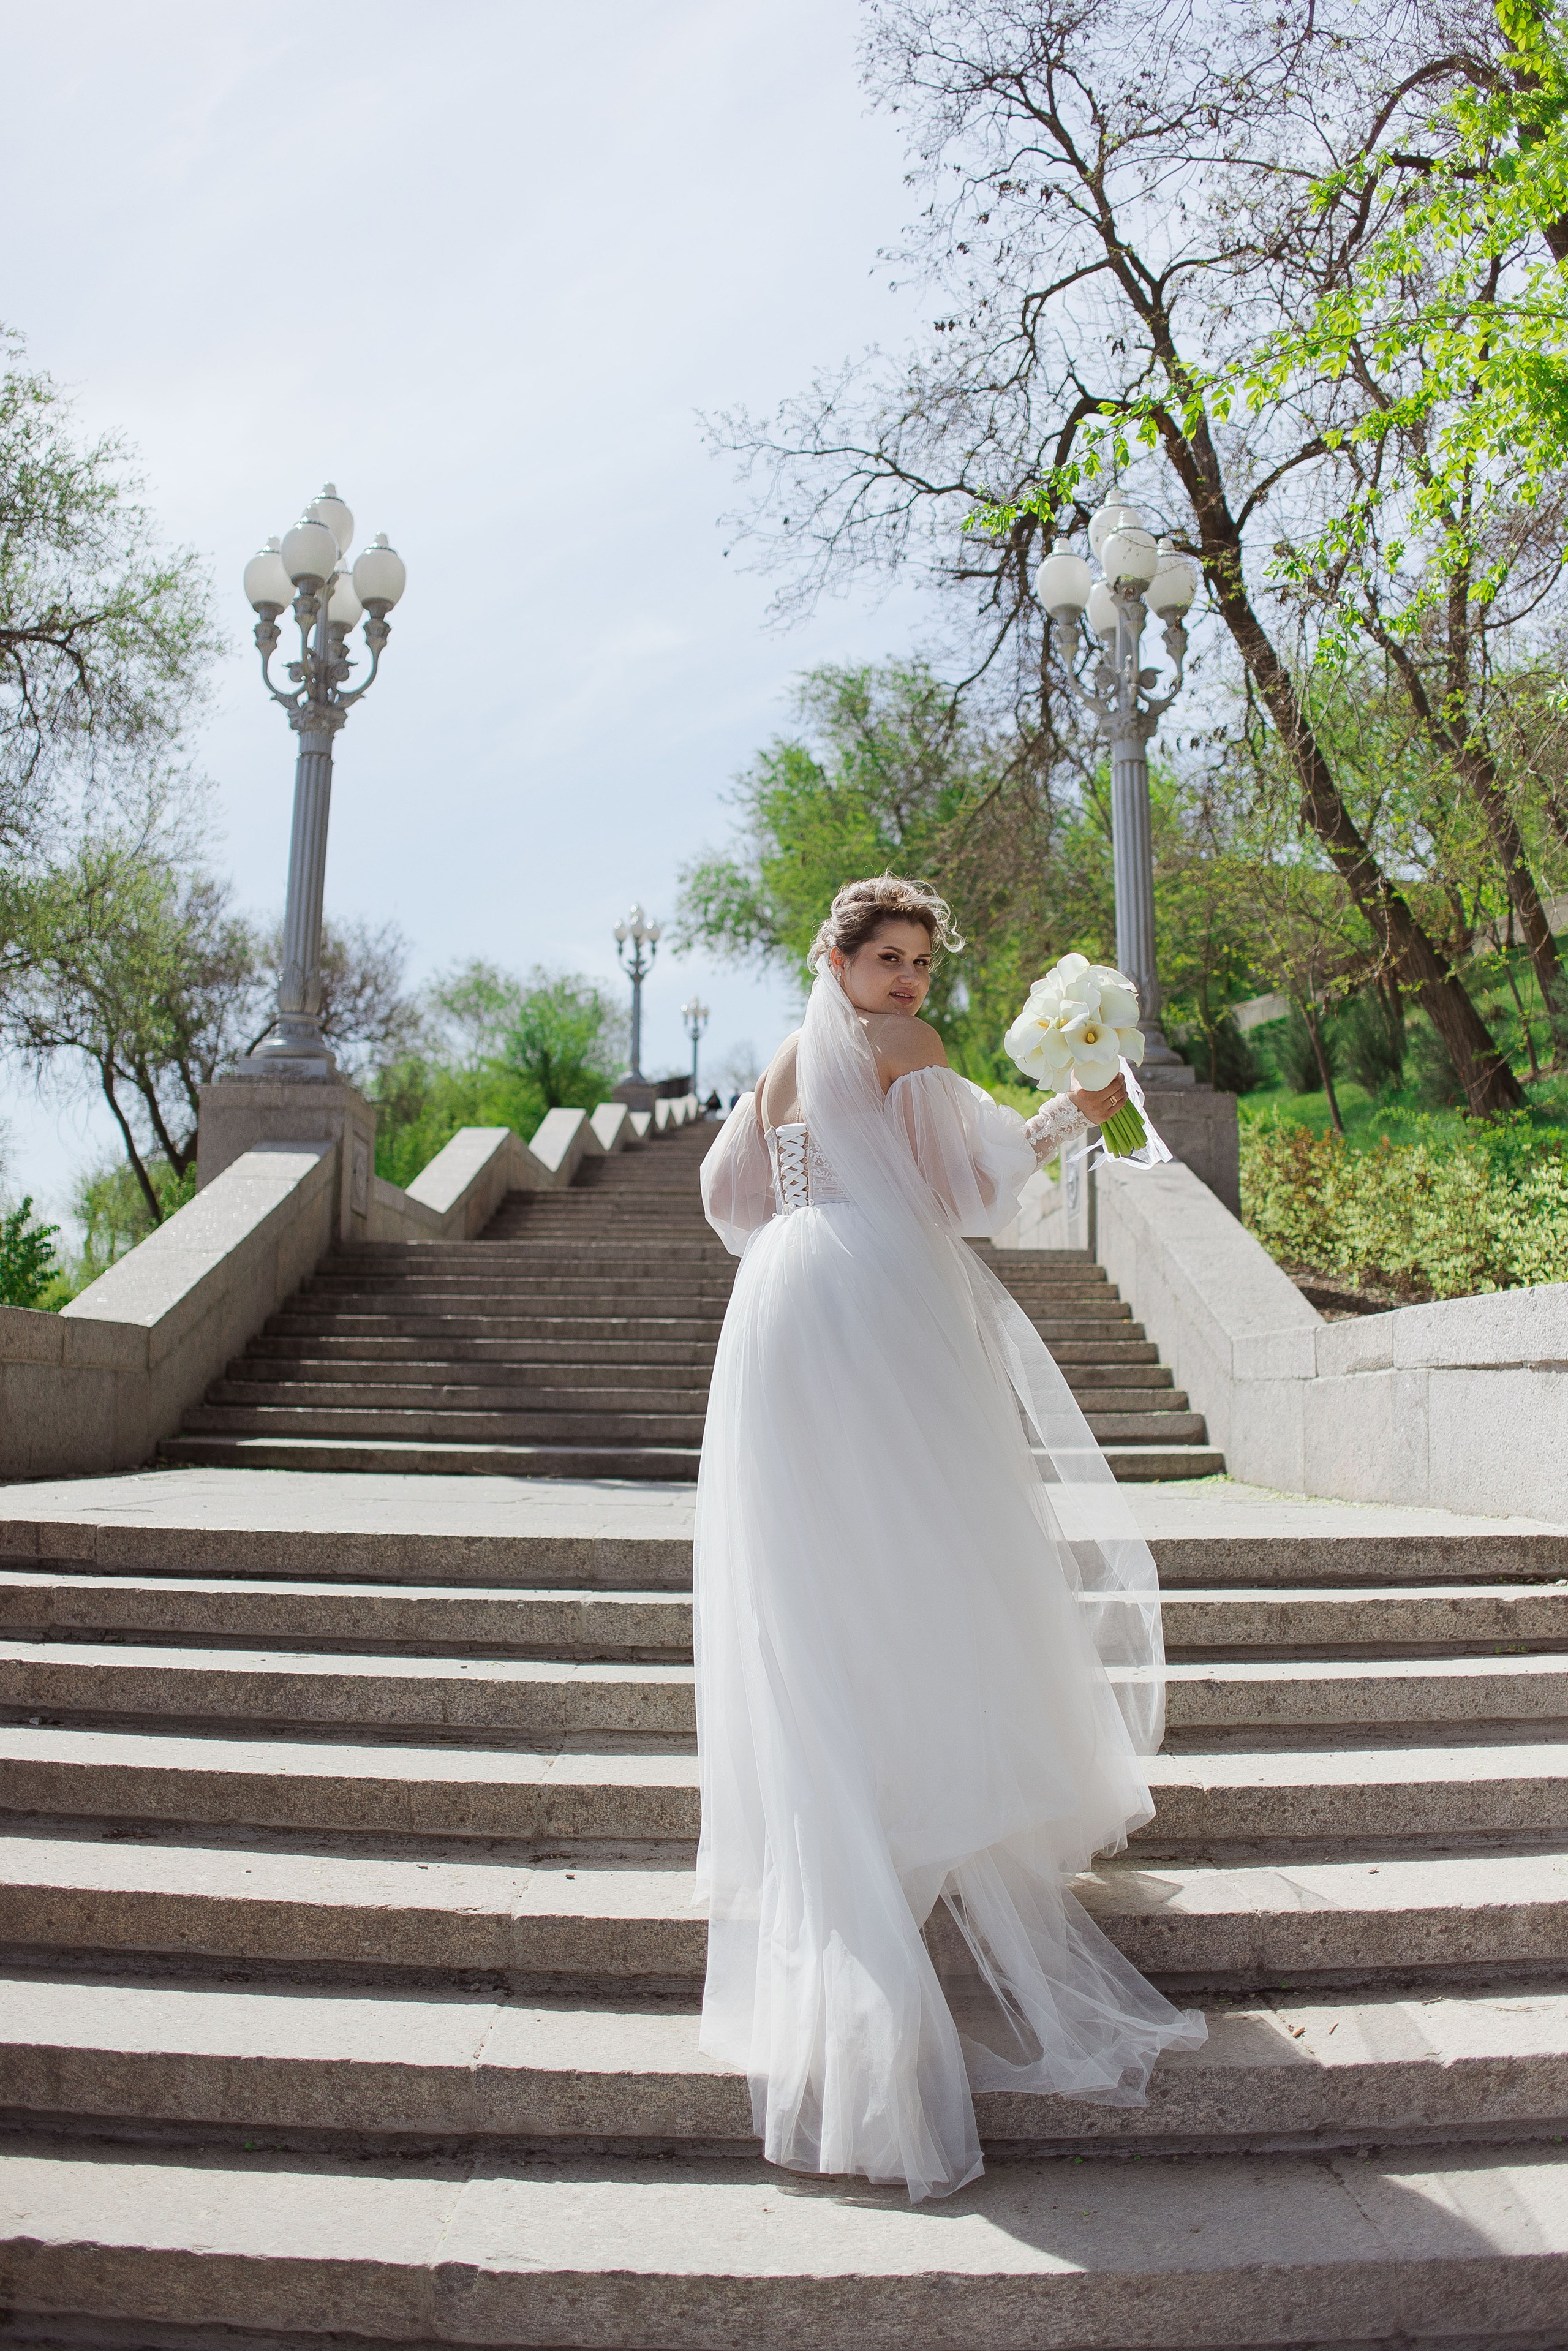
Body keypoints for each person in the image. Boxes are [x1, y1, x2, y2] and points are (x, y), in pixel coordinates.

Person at [694, 874, 1204, 2203]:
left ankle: (851, 1821)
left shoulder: (784, 1058)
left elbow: (727, 1197)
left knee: (819, 1577)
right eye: (888, 959)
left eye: (920, 963)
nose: (910, 983)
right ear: (838, 956)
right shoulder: (902, 1051)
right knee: (922, 1555)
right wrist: (1070, 1118)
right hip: (866, 1298)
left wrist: (816, 1231)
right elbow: (970, 1197)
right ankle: (921, 1803)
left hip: (775, 1308)